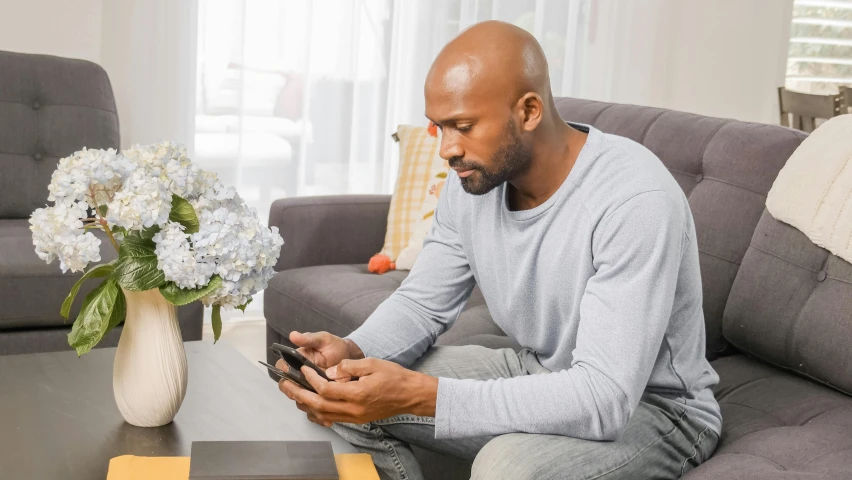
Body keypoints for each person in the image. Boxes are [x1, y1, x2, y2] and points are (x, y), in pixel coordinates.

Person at [276, 20, 721, 480]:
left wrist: (420, 395)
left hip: (655, 409)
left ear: (529, 111)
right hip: (540, 371)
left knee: (505, 467)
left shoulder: (634, 201)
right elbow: (422, 303)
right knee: (347, 390)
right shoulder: (472, 180)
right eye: (439, 129)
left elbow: (604, 397)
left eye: (463, 126)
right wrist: (353, 349)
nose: (447, 150)